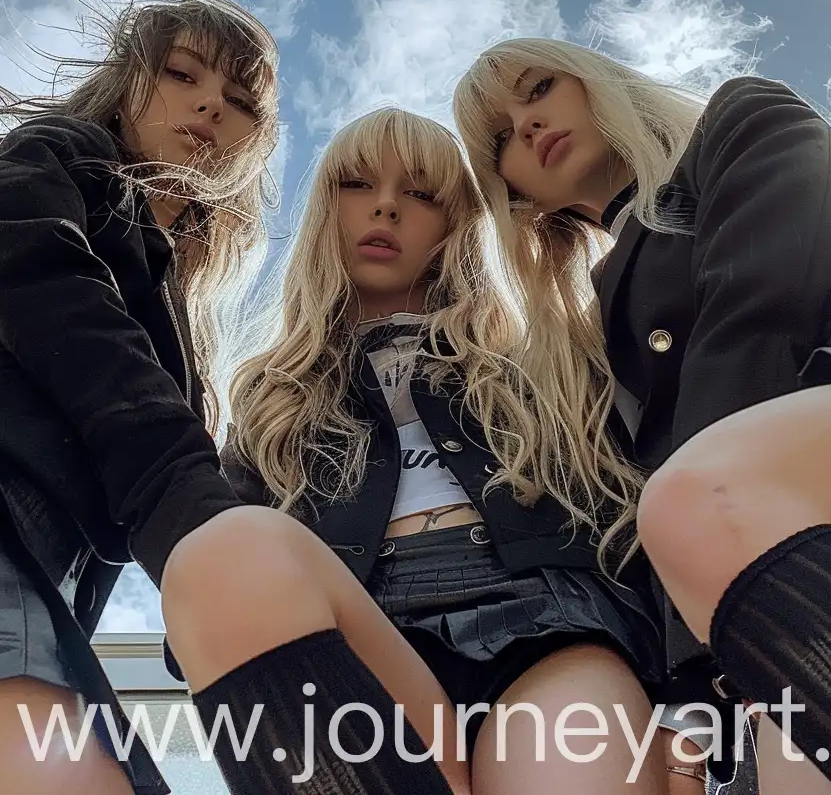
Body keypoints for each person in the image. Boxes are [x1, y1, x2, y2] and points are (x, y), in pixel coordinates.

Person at [0, 0, 468, 795]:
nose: (208, 106)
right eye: (182, 75)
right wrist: (191, 506)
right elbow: (57, 302)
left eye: (238, 103)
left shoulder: (170, 296)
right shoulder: (60, 158)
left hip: (23, 562)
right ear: (128, 82)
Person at [455, 41, 831, 795]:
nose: (529, 124)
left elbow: (755, 321)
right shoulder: (581, 343)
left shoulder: (740, 121)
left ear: (598, 81)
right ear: (516, 195)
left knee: (697, 497)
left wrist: (695, 676)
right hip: (801, 562)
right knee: (803, 768)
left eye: (539, 88)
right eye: (501, 136)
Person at [225, 108, 667, 793]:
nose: (386, 207)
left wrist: (688, 709)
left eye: (423, 193)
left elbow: (632, 514)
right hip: (353, 630)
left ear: (456, 224)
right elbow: (227, 566)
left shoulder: (537, 359)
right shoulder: (268, 396)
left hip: (544, 611)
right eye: (357, 183)